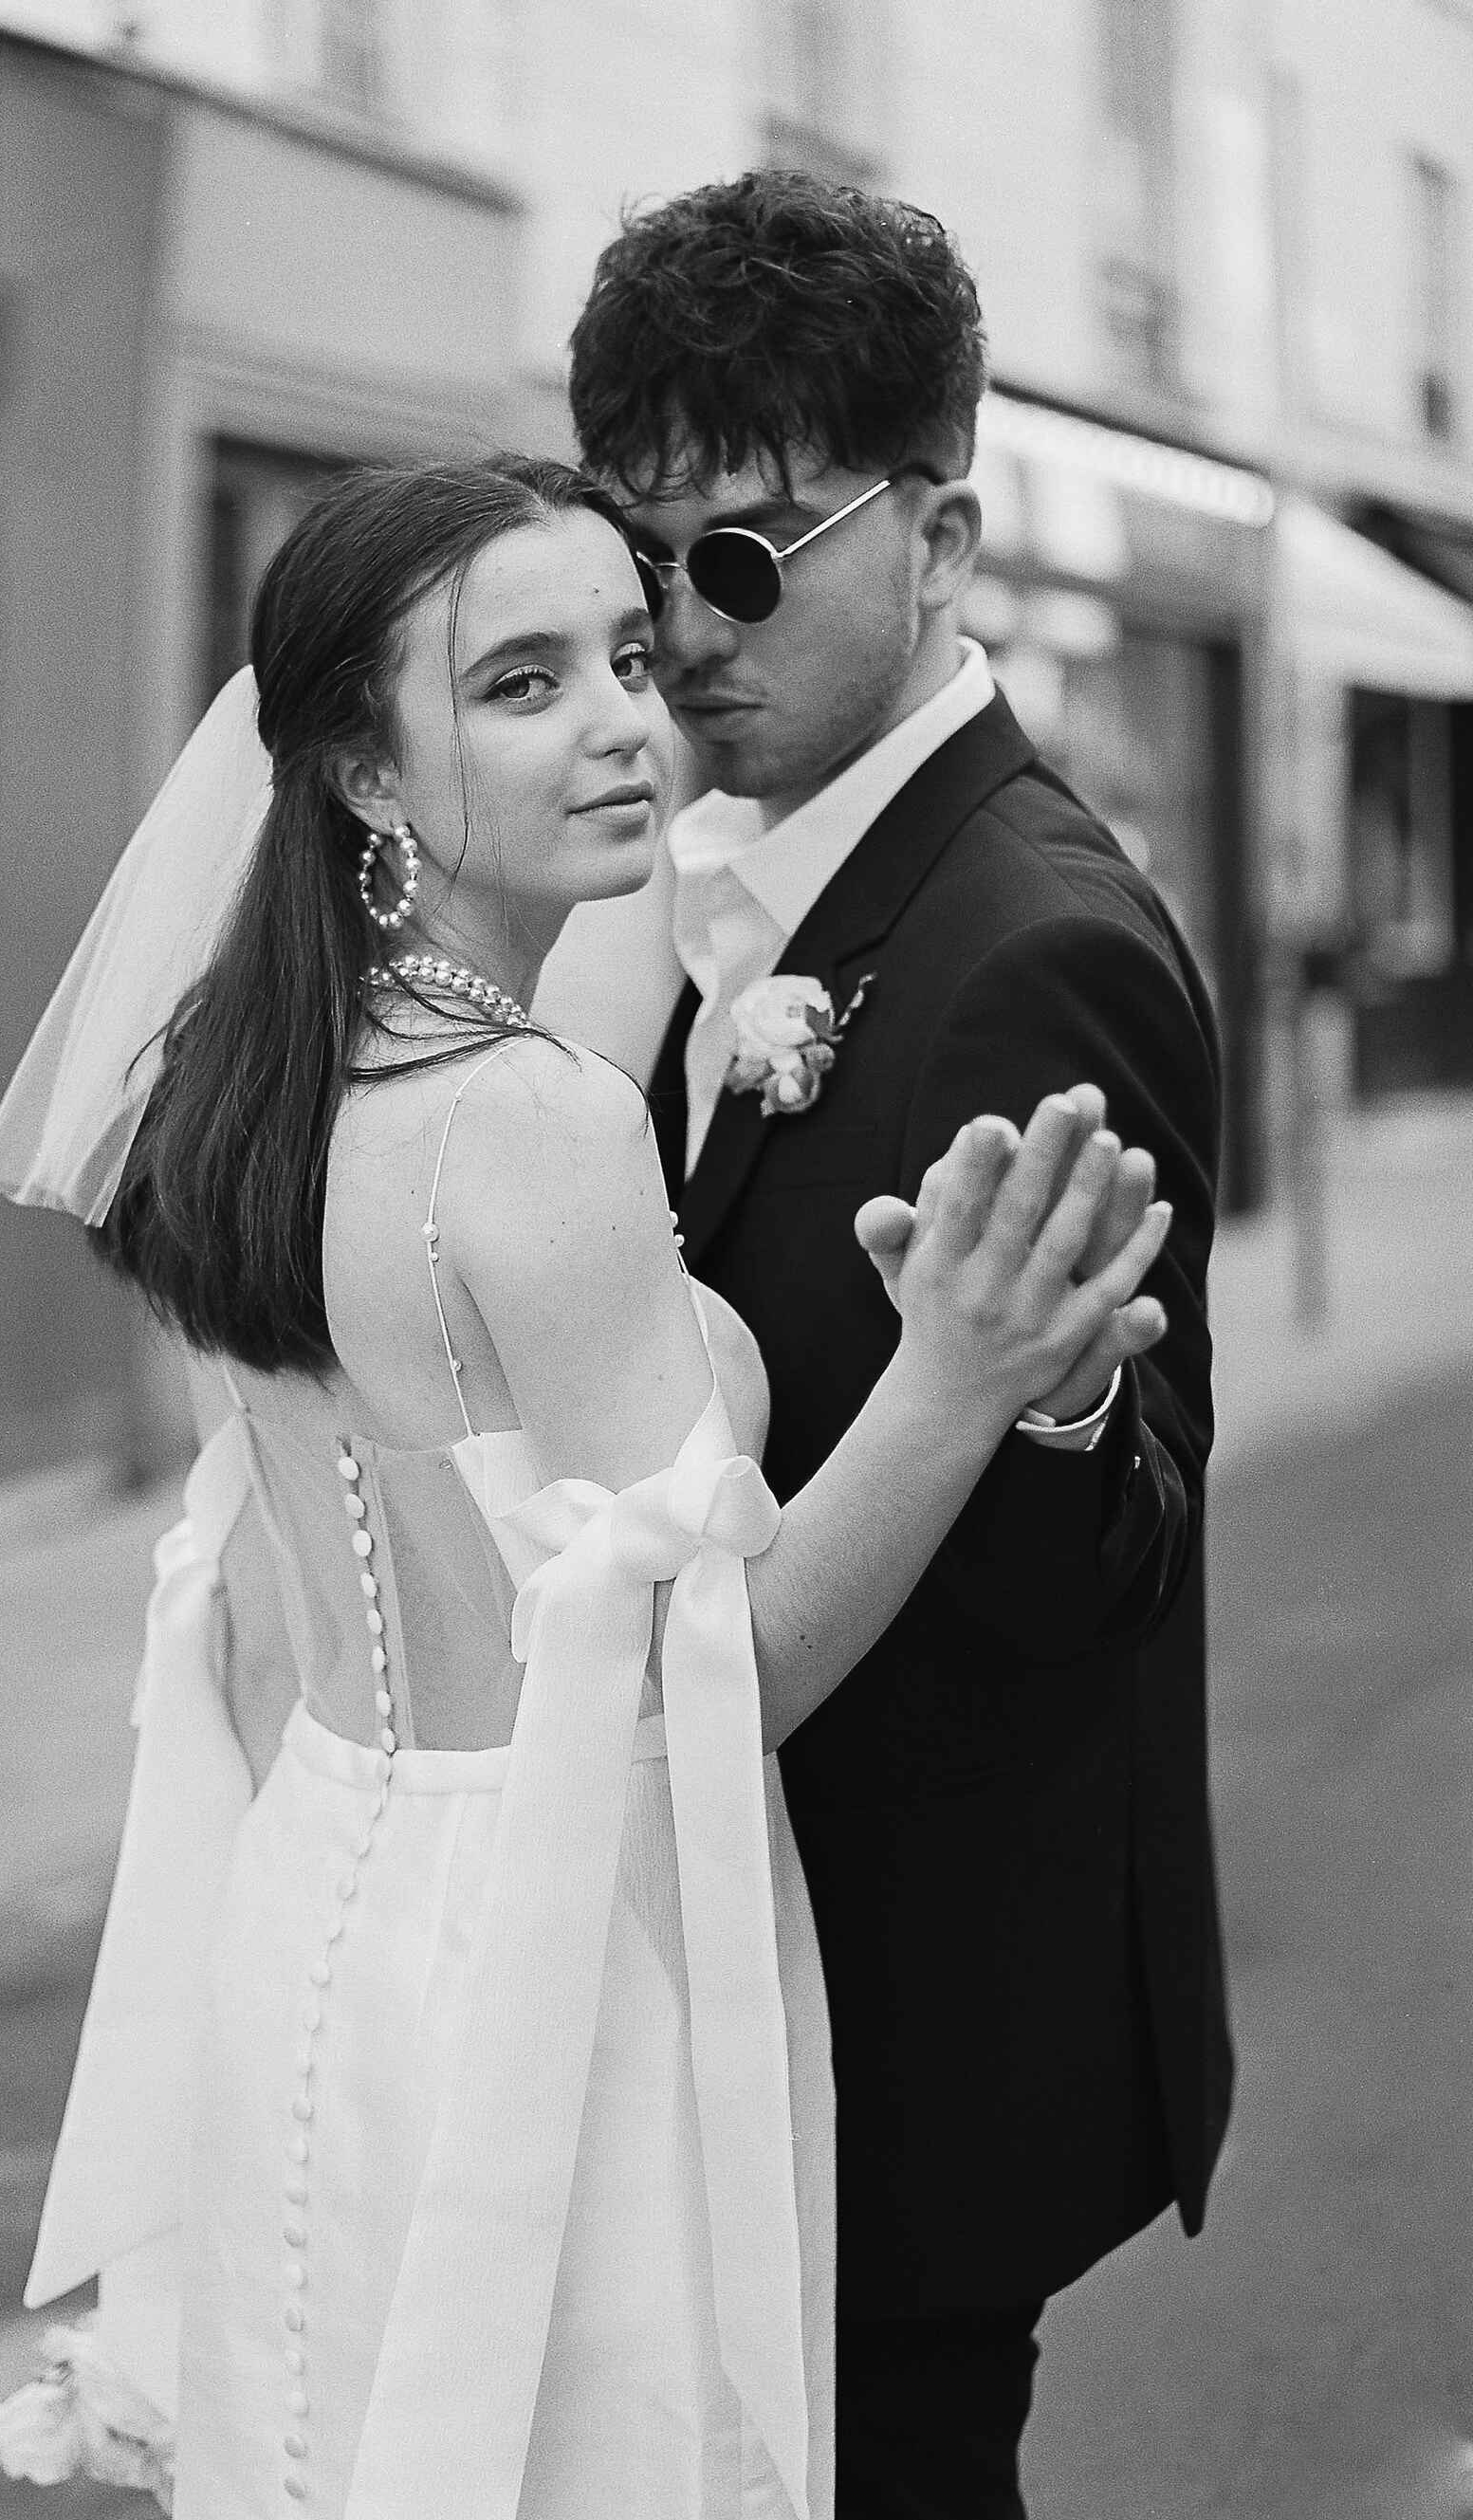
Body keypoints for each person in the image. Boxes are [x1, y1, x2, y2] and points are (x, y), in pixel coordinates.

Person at [0, 452, 1173, 2519]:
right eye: (519, 683)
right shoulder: (527, 1121)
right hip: (550, 1969)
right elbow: (714, 1680)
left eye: (626, 653)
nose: (627, 718)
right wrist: (959, 1377)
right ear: (362, 772)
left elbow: (259, 1621)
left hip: (317, 1925)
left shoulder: (232, 1086)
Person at [539, 171, 1235, 2517]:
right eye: (638, 561)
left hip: (906, 2034)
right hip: (703, 1983)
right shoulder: (688, 883)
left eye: (742, 556)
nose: (676, 632)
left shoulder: (1035, 944)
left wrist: (1040, 1389)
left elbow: (1126, 1546)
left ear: (939, 539)